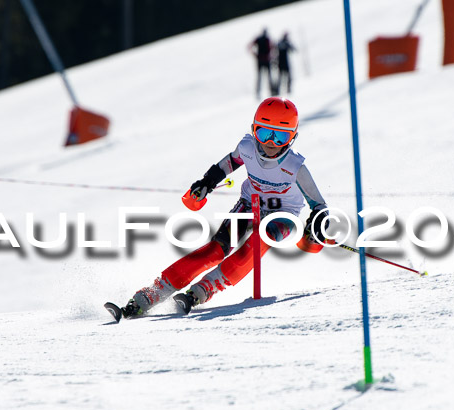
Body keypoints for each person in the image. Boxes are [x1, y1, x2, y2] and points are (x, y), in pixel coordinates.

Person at [106, 97, 329, 321]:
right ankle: (149, 296)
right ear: (254, 130)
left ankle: (201, 291)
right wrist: (206, 183)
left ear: (293, 138)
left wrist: (317, 223)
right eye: (264, 133)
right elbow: (228, 164)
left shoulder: (296, 167)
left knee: (262, 238)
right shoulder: (247, 148)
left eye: (281, 136)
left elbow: (319, 205)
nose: (271, 143)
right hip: (248, 205)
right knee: (215, 250)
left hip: (283, 216)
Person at [249, 29, 275, 98]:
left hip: (261, 60)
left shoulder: (259, 39)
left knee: (261, 77)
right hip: (265, 60)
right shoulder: (266, 39)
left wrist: (255, 55)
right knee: (267, 77)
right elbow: (272, 47)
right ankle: (270, 92)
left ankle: (259, 93)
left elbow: (250, 46)